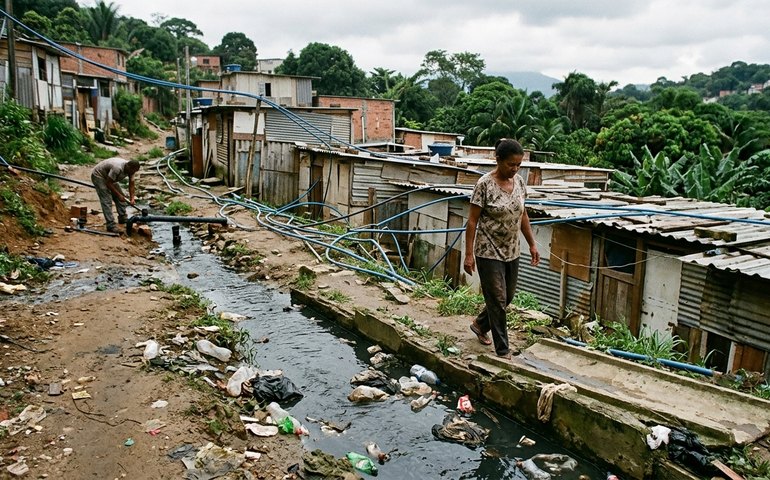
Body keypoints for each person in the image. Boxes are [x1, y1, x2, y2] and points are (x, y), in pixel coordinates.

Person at [464, 138, 540, 359]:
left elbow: (523, 214)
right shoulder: (484, 185)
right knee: (497, 299)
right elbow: (472, 222)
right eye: (511, 164)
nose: (515, 169)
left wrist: (532, 244)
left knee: (508, 297)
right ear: (498, 160)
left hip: (512, 250)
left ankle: (480, 324)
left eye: (518, 165)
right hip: (488, 250)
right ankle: (503, 350)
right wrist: (468, 255)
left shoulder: (520, 183)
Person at [90, 157, 140, 233]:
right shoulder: (117, 168)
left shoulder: (132, 170)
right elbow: (108, 183)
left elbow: (131, 184)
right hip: (99, 175)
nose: (132, 173)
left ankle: (122, 217)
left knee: (122, 197)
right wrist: (118, 195)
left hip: (110, 178)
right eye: (132, 171)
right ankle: (110, 225)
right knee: (107, 200)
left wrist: (132, 198)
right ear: (128, 167)